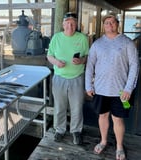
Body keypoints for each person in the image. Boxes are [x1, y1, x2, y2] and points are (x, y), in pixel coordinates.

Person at [85, 13, 139, 160]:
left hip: (120, 90)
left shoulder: (127, 43)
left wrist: (129, 88)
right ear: (104, 25)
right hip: (100, 88)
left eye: (112, 22)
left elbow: (134, 66)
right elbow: (90, 65)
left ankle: (119, 146)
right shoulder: (97, 44)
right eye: (107, 22)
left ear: (118, 24)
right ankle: (103, 141)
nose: (110, 25)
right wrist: (88, 85)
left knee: (118, 119)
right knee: (102, 116)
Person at [47, 12, 89, 145]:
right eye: (68, 23)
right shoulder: (56, 37)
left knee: (76, 107)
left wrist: (81, 60)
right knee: (60, 106)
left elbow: (88, 57)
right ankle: (59, 130)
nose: (70, 25)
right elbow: (49, 55)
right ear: (63, 24)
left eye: (73, 23)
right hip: (59, 78)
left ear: (76, 25)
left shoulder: (82, 38)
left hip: (77, 78)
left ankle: (76, 131)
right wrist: (56, 62)